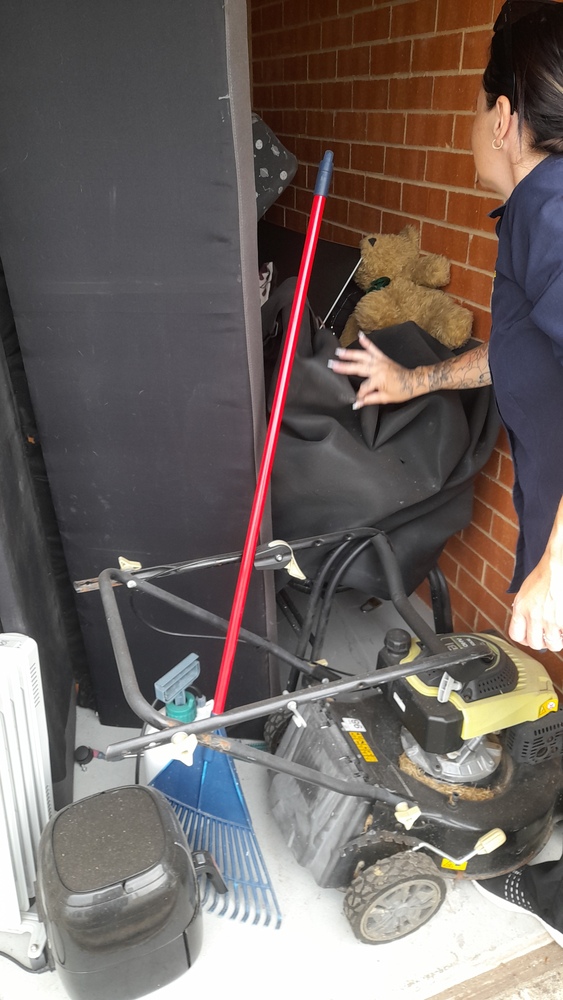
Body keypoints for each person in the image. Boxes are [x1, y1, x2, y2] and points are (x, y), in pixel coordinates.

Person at [329, 0, 563, 946]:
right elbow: (521, 350)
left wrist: (556, 562)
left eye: (474, 107)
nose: (471, 125)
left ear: (503, 117)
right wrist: (413, 378)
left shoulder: (554, 211)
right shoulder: (535, 215)